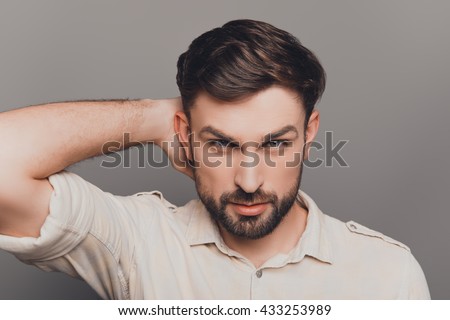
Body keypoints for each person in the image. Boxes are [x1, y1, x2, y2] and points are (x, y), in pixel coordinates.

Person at [0, 19, 430, 299]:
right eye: (221, 145)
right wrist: (153, 117)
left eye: (275, 145)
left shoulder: (388, 274)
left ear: (309, 134)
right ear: (185, 135)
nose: (248, 181)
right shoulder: (138, 242)